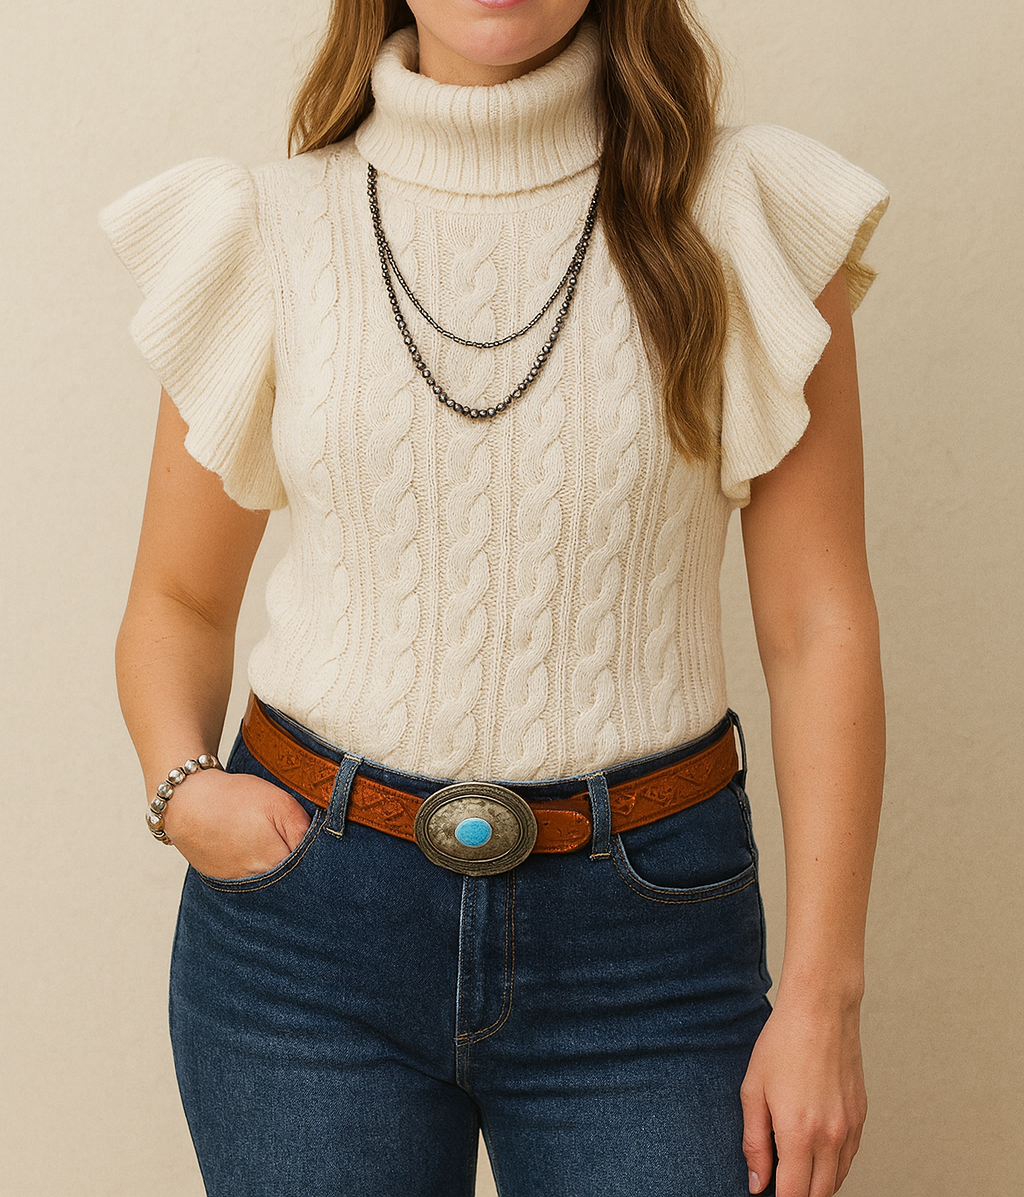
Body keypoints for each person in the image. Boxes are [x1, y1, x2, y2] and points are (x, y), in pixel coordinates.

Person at [102, 0, 887, 1193]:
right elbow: (177, 601)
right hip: (304, 946)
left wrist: (825, 999)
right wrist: (183, 790)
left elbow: (817, 627)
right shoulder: (268, 227)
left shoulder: (740, 214)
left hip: (648, 950)